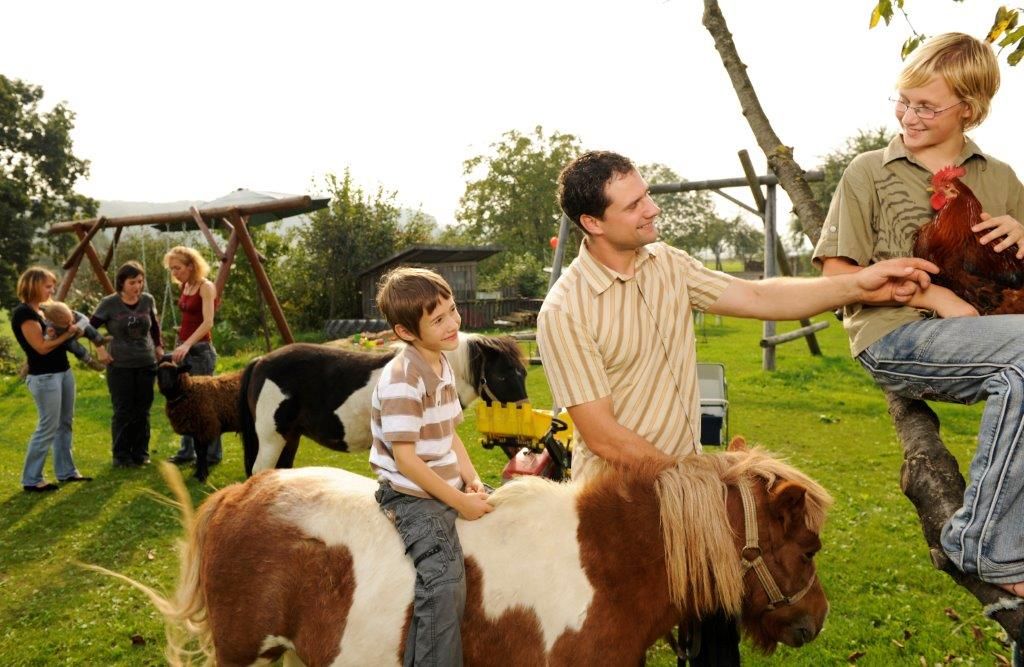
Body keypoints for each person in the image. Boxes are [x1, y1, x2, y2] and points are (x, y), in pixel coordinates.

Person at [536, 151, 940, 663]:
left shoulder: (667, 264)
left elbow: (757, 296)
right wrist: (703, 487)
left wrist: (858, 284)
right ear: (592, 223)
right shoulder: (565, 310)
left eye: (648, 194)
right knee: (616, 653)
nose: (652, 209)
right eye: (635, 203)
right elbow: (603, 436)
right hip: (619, 516)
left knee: (718, 650)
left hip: (691, 499)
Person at [813, 33, 1024, 598]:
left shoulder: (1000, 176)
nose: (910, 115)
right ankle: (983, 544)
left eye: (927, 106)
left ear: (969, 111)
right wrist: (932, 298)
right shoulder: (868, 171)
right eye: (902, 101)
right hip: (895, 336)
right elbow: (836, 279)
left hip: (986, 339)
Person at [369, 266, 493, 667]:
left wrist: (472, 480)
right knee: (444, 582)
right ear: (406, 332)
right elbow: (405, 459)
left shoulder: (441, 365)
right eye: (437, 319)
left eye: (453, 310)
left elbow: (450, 434)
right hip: (411, 495)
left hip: (446, 482)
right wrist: (457, 500)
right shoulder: (403, 379)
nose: (453, 323)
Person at [11, 267, 92, 491]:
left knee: (65, 424)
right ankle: (31, 479)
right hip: (45, 377)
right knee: (48, 426)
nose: (52, 290)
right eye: (48, 286)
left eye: (52, 285)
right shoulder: (23, 314)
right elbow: (41, 347)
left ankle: (66, 471)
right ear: (34, 286)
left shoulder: (45, 310)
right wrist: (70, 333)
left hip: (63, 373)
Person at [90, 261, 163, 468]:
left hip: (146, 363)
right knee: (123, 410)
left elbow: (155, 327)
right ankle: (121, 456)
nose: (137, 286)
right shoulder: (109, 303)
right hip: (119, 365)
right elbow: (89, 326)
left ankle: (141, 454)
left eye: (140, 282)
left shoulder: (147, 300)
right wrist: (100, 348)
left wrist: (158, 347)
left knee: (143, 410)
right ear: (122, 282)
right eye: (133, 282)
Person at [163, 246, 221, 466]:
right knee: (183, 402)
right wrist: (182, 338)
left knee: (204, 405)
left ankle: (212, 455)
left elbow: (208, 322)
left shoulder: (206, 287)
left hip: (200, 352)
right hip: (184, 348)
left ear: (191, 266)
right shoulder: (186, 285)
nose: (174, 273)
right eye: (172, 269)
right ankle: (187, 451)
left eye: (177, 268)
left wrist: (187, 343)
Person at [37, 301, 107, 372]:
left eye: (71, 320)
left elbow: (85, 319)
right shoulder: (51, 326)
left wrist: (76, 326)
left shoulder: (72, 313)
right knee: (74, 346)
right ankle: (90, 361)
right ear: (54, 323)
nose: (70, 324)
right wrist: (50, 336)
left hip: (77, 331)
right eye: (67, 323)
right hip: (67, 339)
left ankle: (99, 340)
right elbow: (45, 339)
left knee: (88, 327)